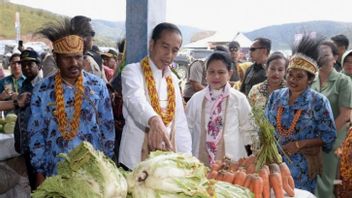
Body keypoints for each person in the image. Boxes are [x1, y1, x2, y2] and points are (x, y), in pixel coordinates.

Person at [27, 18, 115, 186]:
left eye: (78, 57)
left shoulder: (97, 86)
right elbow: (36, 134)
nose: (74, 63)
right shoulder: (42, 90)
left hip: (93, 173)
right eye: (67, 58)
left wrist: (108, 166)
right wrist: (39, 173)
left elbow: (107, 129)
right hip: (56, 173)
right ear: (56, 57)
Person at [265, 35, 337, 193]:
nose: (292, 79)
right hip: (273, 164)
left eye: (299, 76)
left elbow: (329, 138)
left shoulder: (318, 102)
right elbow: (265, 127)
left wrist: (299, 144)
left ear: (310, 79)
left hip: (302, 168)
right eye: (290, 74)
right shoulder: (276, 97)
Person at [119, 22, 192, 170]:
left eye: (174, 50)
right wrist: (154, 120)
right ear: (152, 44)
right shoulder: (132, 71)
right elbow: (135, 99)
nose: (169, 55)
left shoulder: (173, 80)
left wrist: (187, 158)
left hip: (162, 165)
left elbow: (180, 123)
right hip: (133, 161)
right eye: (165, 47)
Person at [185, 52, 256, 166]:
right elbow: (187, 128)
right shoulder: (196, 99)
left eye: (221, 72)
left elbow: (248, 129)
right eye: (211, 72)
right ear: (206, 74)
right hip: (199, 161)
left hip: (232, 161)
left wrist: (253, 156)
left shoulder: (239, 99)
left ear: (230, 73)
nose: (216, 76)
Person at [312, 40, 352, 198]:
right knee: (311, 177)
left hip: (333, 137)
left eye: (326, 54)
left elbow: (345, 115)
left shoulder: (344, 82)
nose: (321, 57)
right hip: (312, 138)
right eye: (319, 54)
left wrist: (324, 137)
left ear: (335, 57)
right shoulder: (311, 79)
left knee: (325, 181)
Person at [11, 49, 43, 191]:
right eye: (23, 65)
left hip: (39, 147)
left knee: (41, 184)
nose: (26, 68)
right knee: (32, 182)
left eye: (30, 64)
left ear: (39, 66)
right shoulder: (25, 85)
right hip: (27, 146)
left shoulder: (44, 86)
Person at [70, 15, 107, 81]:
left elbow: (105, 85)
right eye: (92, 33)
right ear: (82, 36)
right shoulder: (57, 60)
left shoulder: (96, 58)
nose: (93, 38)